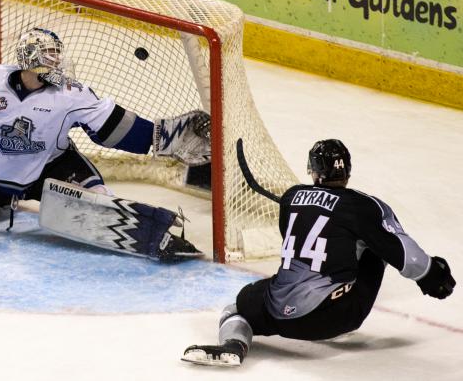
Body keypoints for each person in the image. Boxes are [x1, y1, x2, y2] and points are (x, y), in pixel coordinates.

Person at [0, 28, 209, 262]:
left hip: (53, 165)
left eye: (56, 55)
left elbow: (112, 127)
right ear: (29, 59)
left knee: (101, 209)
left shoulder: (71, 93)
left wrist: (161, 137)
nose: (56, 62)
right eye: (49, 56)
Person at [182, 139, 456, 366]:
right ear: (347, 171)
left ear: (314, 172)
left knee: (236, 308)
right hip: (335, 316)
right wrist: (435, 276)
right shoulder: (364, 205)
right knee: (377, 243)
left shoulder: (291, 198)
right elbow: (406, 255)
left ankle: (234, 345)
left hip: (280, 315)